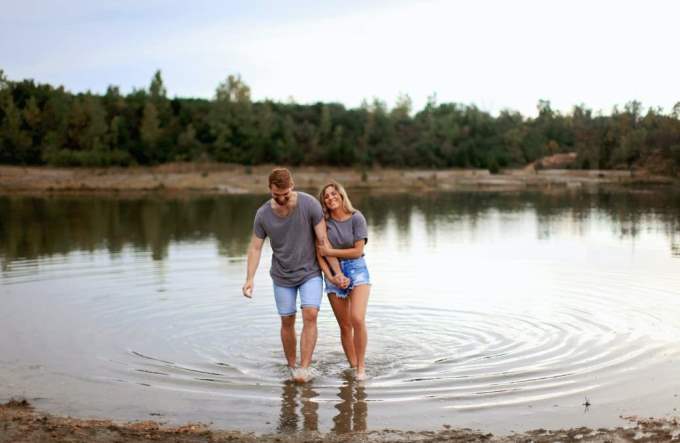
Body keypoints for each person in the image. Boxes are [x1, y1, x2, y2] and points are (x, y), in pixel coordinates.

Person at [242, 168, 348, 383]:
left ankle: (304, 369)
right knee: (287, 320)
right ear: (270, 189)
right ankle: (291, 366)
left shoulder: (309, 205)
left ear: (292, 186)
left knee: (311, 314)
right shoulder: (263, 214)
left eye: (285, 194)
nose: (281, 199)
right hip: (282, 276)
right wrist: (250, 278)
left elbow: (323, 242)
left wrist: (337, 274)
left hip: (309, 271)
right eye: (276, 195)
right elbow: (255, 247)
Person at [316, 181, 371, 380]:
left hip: (357, 269)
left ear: (341, 195)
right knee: (345, 326)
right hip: (332, 272)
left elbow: (358, 251)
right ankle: (353, 365)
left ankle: (361, 368)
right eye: (326, 197)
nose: (330, 198)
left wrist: (331, 251)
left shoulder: (357, 218)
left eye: (333, 194)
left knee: (357, 318)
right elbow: (319, 254)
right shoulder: (323, 223)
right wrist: (332, 276)